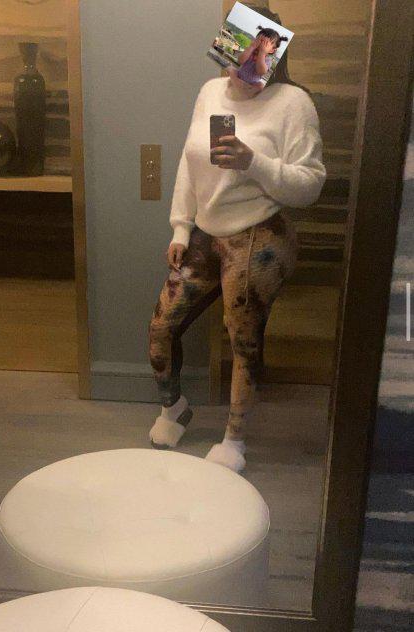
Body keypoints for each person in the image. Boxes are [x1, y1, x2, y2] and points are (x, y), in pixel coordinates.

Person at [147, 42, 326, 474]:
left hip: (259, 231)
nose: (242, 71)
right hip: (207, 230)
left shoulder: (293, 103)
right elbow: (189, 162)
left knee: (242, 338)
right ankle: (174, 407)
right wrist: (181, 226)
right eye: (235, 59)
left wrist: (253, 162)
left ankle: (235, 438)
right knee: (161, 328)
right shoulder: (210, 91)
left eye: (256, 61)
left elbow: (310, 185)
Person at [227, 26, 289, 94]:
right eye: (259, 41)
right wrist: (252, 47)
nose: (260, 46)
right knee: (230, 69)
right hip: (238, 76)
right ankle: (237, 83)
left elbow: (261, 72)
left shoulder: (268, 60)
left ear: (272, 50)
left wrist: (262, 52)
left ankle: (244, 91)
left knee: (260, 86)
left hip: (251, 85)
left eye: (265, 44)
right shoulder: (249, 52)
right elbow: (240, 61)